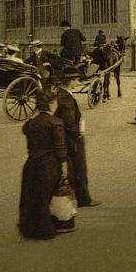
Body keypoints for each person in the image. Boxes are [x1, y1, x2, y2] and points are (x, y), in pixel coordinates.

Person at [18, 89, 74, 239]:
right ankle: (46, 230)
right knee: (45, 198)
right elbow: (61, 149)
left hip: (31, 164)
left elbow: (25, 130)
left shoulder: (30, 124)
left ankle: (29, 229)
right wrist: (64, 168)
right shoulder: (56, 123)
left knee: (32, 198)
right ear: (51, 104)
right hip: (49, 165)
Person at [55, 67, 100, 207]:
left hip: (64, 138)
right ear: (70, 81)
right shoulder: (67, 99)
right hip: (72, 139)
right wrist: (78, 135)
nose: (78, 82)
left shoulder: (60, 94)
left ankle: (76, 196)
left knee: (72, 169)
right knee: (79, 169)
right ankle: (84, 199)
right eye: (76, 80)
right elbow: (69, 123)